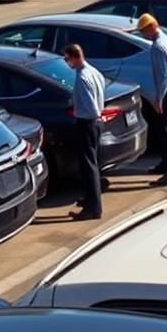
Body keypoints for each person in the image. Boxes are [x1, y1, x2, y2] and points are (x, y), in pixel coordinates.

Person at [137, 13, 167, 186]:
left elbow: (164, 75)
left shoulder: (158, 46)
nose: (143, 35)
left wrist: (158, 98)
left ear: (151, 27)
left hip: (166, 90)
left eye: (143, 31)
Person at [63, 43, 106, 221]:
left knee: (89, 167)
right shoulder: (93, 71)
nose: (66, 62)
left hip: (87, 123)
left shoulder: (82, 77)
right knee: (91, 163)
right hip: (95, 123)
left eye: (66, 58)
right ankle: (90, 200)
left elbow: (90, 106)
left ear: (74, 57)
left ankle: (93, 208)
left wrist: (87, 113)